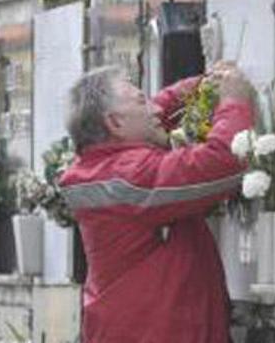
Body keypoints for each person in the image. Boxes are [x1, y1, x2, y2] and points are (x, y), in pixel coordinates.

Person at [59, 62, 255, 343]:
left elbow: (152, 111)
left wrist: (200, 84)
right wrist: (234, 101)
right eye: (142, 100)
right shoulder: (132, 177)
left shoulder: (100, 165)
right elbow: (223, 161)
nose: (155, 109)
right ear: (114, 122)